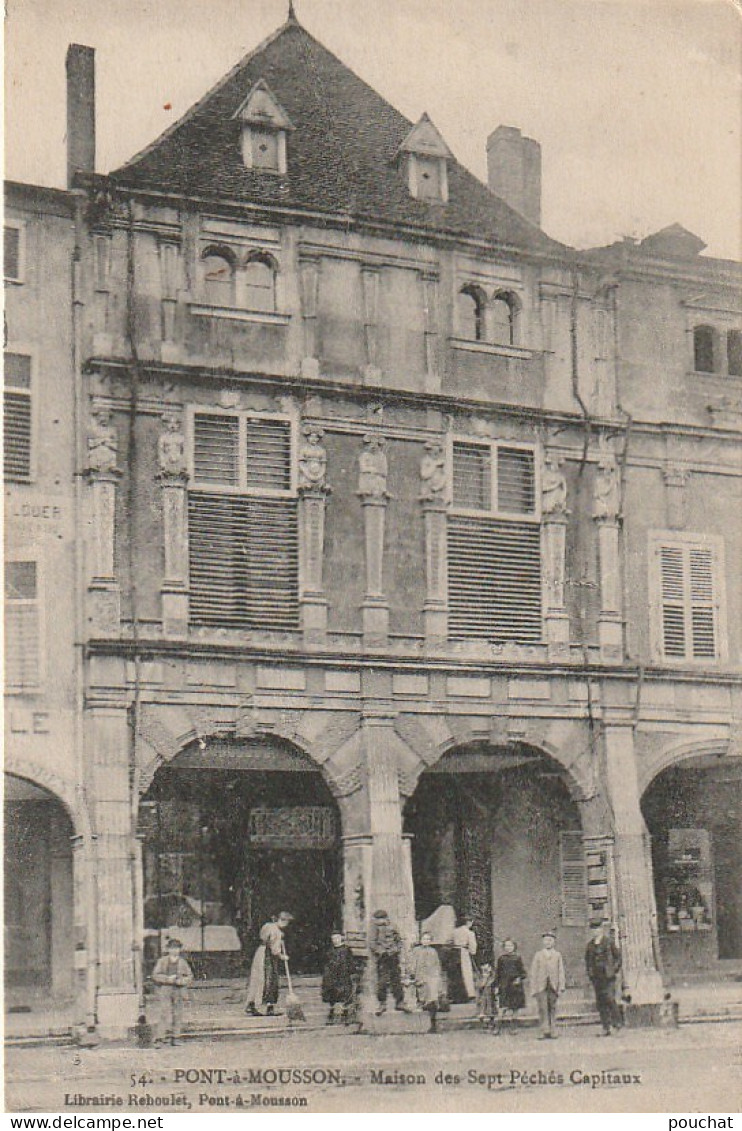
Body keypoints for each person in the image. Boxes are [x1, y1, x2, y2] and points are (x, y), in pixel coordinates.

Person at [245, 911, 293, 1017]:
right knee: (269, 980)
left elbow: (263, 937)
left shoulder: (267, 926)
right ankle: (265, 1007)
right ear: (283, 921)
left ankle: (251, 1004)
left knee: (257, 979)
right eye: (286, 923)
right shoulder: (277, 932)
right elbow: (275, 950)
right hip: (267, 957)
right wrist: (283, 956)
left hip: (260, 953)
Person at [152, 937, 194, 1046]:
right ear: (168, 949)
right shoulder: (162, 961)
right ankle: (160, 1038)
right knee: (164, 1013)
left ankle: (176, 1037)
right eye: (172, 948)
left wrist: (181, 981)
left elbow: (189, 976)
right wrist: (167, 979)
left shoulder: (183, 962)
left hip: (178, 989)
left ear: (180, 950)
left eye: (177, 948)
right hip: (166, 989)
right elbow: (155, 975)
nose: (174, 950)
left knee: (177, 1013)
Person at [585, 920, 623, 1036]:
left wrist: (613, 969)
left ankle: (617, 1024)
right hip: (597, 977)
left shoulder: (608, 942)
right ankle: (605, 1027)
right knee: (600, 1002)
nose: (595, 931)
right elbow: (588, 961)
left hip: (608, 976)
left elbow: (618, 957)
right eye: (593, 929)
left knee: (610, 999)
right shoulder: (590, 945)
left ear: (601, 929)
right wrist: (590, 973)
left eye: (597, 929)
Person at [529, 930, 566, 1039]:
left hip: (553, 985)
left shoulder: (557, 955)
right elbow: (534, 972)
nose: (548, 942)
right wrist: (533, 988)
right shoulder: (538, 955)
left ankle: (553, 1030)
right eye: (546, 940)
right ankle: (543, 1030)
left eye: (550, 940)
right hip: (541, 986)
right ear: (542, 942)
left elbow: (561, 971)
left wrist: (561, 986)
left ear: (554, 942)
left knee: (552, 1008)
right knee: (542, 1008)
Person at [368, 909, 406, 1015]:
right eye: (378, 920)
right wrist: (381, 951)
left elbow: (399, 940)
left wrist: (396, 949)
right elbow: (372, 943)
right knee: (382, 981)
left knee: (396, 979)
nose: (380, 922)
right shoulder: (373, 928)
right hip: (382, 958)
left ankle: (400, 1002)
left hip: (393, 956)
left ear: (386, 918)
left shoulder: (393, 926)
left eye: (382, 919)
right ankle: (382, 1003)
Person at [409, 930, 444, 1032]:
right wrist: (412, 973)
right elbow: (413, 964)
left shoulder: (433, 952)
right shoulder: (416, 951)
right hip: (420, 977)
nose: (426, 941)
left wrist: (437, 976)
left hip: (431, 977)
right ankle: (422, 1024)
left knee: (432, 999)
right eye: (424, 939)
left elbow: (437, 965)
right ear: (421, 940)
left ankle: (433, 1024)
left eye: (428, 939)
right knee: (421, 997)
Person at [321, 931, 356, 1025]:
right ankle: (332, 1016)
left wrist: (351, 972)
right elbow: (327, 964)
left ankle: (346, 1016)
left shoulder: (346, 950)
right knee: (332, 995)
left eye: (337, 938)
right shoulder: (331, 950)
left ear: (341, 938)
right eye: (333, 939)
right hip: (332, 977)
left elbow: (350, 963)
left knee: (344, 996)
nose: (335, 941)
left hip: (343, 976)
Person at [495, 938, 527, 1029]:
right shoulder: (501, 959)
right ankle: (498, 1026)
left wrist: (519, 978)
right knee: (503, 1007)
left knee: (515, 1007)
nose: (508, 948)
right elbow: (498, 973)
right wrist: (497, 985)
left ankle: (513, 1026)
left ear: (514, 947)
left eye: (510, 946)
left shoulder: (517, 958)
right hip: (504, 985)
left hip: (515, 985)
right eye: (506, 946)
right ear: (504, 947)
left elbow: (523, 972)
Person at [449, 915, 477, 1002]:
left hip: (454, 953)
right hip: (463, 953)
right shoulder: (469, 933)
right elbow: (473, 948)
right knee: (466, 973)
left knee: (456, 974)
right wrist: (471, 951)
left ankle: (455, 996)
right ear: (468, 922)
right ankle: (468, 995)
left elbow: (449, 942)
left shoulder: (454, 931)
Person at [476, 962, 499, 1032]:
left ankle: (491, 1023)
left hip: (490, 998)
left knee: (491, 1010)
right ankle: (483, 1024)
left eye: (487, 970)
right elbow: (479, 987)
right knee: (482, 1010)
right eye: (484, 970)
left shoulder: (492, 979)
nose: (486, 973)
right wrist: (483, 981)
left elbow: (495, 986)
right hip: (483, 998)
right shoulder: (480, 978)